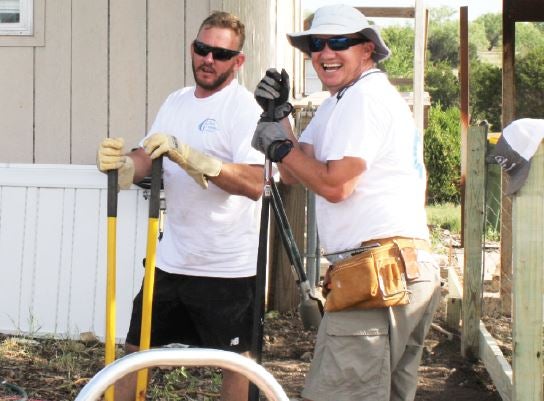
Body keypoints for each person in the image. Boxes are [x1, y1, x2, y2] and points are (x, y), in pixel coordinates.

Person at [251, 4, 441, 401]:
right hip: (395, 273)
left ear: (368, 49)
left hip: (377, 274)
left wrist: (282, 147)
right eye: (316, 44)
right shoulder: (342, 100)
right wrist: (280, 114)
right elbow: (295, 171)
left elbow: (337, 186)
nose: (325, 52)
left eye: (339, 42)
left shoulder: (363, 99)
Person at [96, 11, 264, 401]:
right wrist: (125, 167)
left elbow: (256, 182)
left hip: (228, 267)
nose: (209, 60)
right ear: (193, 49)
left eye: (221, 54)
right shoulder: (176, 101)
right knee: (134, 356)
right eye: (203, 49)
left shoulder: (244, 110)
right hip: (170, 259)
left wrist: (204, 163)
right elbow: (147, 154)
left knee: (236, 364)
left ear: (238, 61)